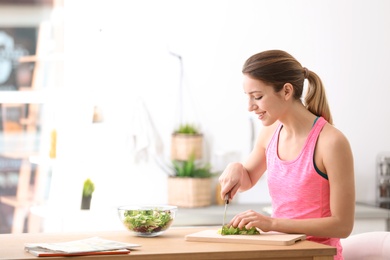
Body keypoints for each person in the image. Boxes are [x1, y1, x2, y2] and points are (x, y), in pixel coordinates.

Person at [219, 50, 355, 260]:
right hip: (280, 253)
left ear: (286, 91)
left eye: (258, 96)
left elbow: (343, 225)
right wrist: (236, 167)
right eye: (248, 97)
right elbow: (246, 180)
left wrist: (272, 223)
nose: (250, 106)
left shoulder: (331, 143)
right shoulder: (270, 132)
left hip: (317, 256)